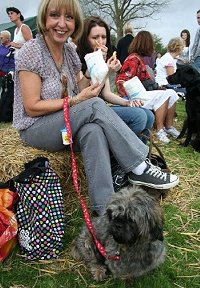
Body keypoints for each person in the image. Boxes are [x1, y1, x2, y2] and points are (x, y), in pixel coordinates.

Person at [13, 0, 179, 216]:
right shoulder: (32, 51)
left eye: (69, 17)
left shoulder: (70, 52)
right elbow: (32, 106)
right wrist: (76, 100)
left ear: (76, 23)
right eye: (55, 15)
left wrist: (100, 69)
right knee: (95, 106)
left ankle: (104, 211)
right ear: (44, 18)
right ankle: (138, 166)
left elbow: (83, 87)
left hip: (65, 121)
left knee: (93, 130)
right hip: (36, 128)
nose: (62, 23)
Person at [76, 16, 154, 140]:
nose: (100, 42)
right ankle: (118, 154)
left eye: (104, 37)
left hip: (101, 105)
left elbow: (106, 94)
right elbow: (85, 93)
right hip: (88, 109)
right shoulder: (78, 59)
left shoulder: (104, 59)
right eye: (95, 37)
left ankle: (136, 156)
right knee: (139, 117)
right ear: (85, 39)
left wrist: (128, 103)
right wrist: (103, 69)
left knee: (149, 116)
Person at [116, 31, 180, 144]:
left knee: (172, 93)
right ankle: (159, 129)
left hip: (140, 94)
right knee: (164, 95)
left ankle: (169, 126)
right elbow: (121, 81)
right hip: (132, 98)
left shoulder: (139, 59)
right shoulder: (133, 60)